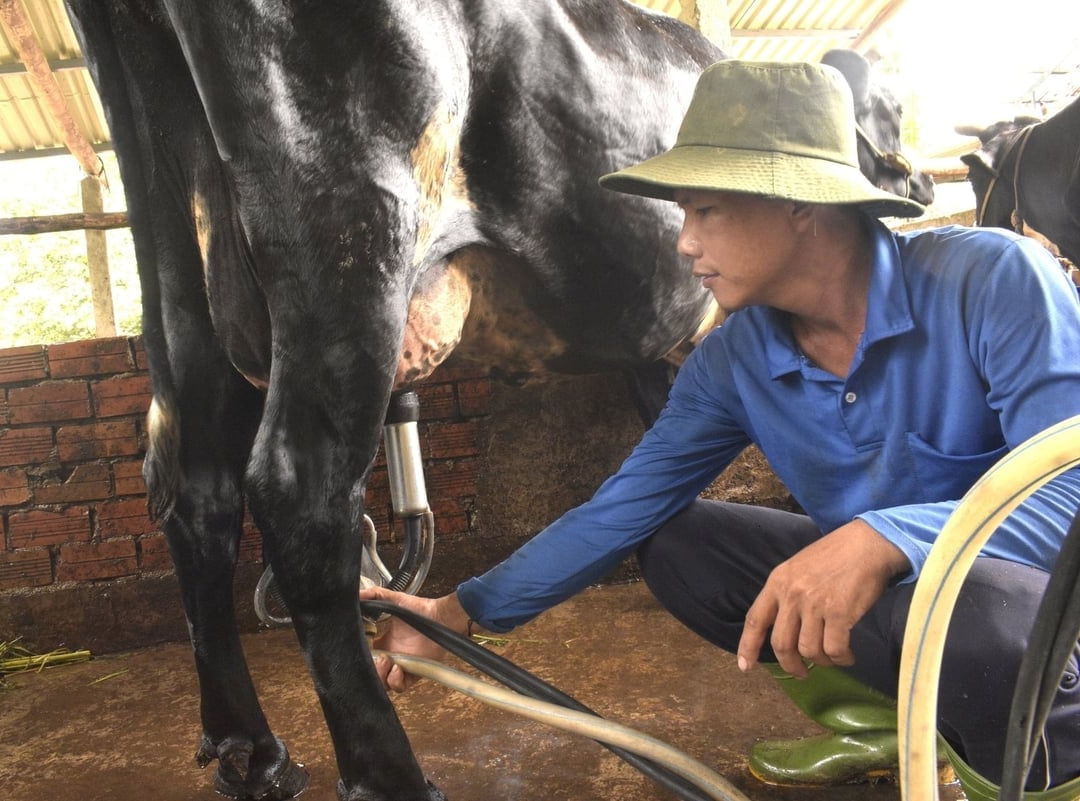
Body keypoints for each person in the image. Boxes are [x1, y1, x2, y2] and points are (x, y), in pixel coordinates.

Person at [361, 59, 1080, 798]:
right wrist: (458, 613)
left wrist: (887, 536)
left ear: (799, 201)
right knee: (679, 544)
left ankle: (1048, 769)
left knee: (985, 615)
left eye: (705, 210)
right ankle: (897, 721)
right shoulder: (734, 360)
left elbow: (1070, 499)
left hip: (1045, 617)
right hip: (915, 609)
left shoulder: (996, 281)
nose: (683, 243)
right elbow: (618, 508)